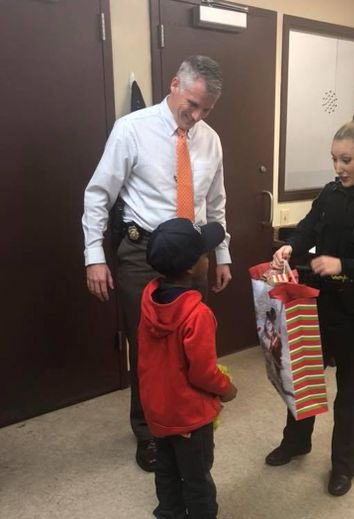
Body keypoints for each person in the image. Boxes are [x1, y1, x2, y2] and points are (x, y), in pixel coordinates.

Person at [82, 55, 232, 471]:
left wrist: (222, 255)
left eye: (207, 109)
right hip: (142, 254)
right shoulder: (131, 130)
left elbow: (215, 203)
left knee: (190, 345)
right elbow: (98, 195)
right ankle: (148, 431)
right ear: (174, 86)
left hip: (194, 259)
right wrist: (95, 256)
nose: (197, 116)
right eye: (193, 105)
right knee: (147, 349)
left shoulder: (210, 139)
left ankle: (189, 421)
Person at [266, 106, 354, 496]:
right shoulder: (331, 193)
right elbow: (309, 227)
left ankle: (344, 466)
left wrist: (343, 263)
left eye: (346, 159)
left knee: (350, 393)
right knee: (304, 377)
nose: (338, 167)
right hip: (318, 304)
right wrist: (289, 247)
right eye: (334, 158)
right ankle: (296, 441)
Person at [138, 217, 238, 519]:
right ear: (193, 267)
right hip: (190, 417)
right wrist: (227, 388)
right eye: (205, 254)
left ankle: (168, 512)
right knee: (197, 478)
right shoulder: (198, 314)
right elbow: (202, 372)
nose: (208, 258)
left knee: (166, 470)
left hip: (157, 411)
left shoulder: (148, 299)